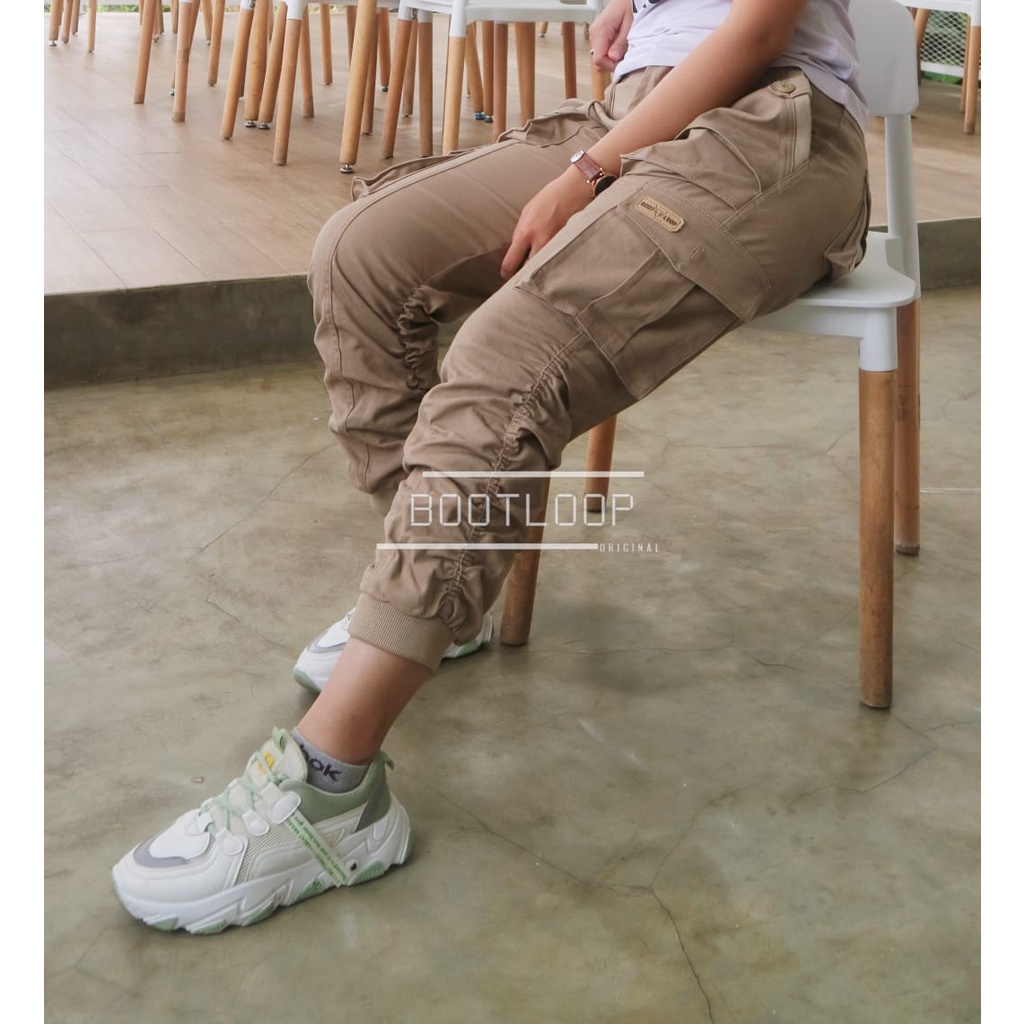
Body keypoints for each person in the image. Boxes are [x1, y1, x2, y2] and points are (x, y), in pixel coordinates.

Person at [111, 0, 871, 933]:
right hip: (637, 109)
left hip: (771, 125)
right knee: (361, 252)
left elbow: (757, 30)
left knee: (510, 359)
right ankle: (440, 603)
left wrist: (586, 173)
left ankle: (334, 790)